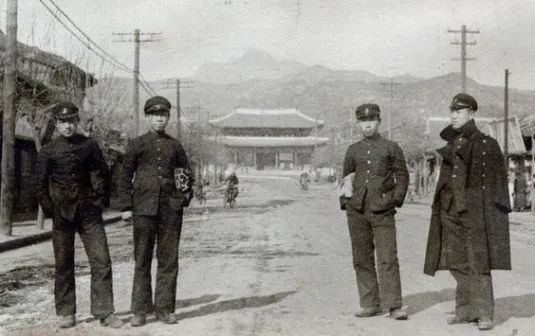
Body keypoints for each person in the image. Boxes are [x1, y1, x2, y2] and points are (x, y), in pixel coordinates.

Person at [423, 93, 511, 331]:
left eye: (458, 111)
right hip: (449, 210)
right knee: (456, 262)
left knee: (478, 261)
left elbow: (497, 183)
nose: (453, 115)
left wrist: (495, 214)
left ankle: (484, 314)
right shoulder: (452, 143)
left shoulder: (486, 144)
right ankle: (465, 310)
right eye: (451, 110)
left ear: (471, 113)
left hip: (475, 212)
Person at [35, 102, 123, 329]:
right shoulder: (48, 151)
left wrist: (99, 200)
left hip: (89, 214)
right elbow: (40, 184)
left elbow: (101, 172)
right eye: (63, 122)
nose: (67, 126)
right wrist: (50, 209)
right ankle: (66, 313)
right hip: (62, 214)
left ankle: (105, 312)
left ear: (77, 122)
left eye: (71, 121)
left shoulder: (89, 145)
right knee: (64, 263)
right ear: (56, 123)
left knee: (101, 260)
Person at [119, 96, 193, 327]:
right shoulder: (136, 144)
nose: (159, 119)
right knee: (142, 259)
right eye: (154, 115)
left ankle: (164, 309)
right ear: (147, 117)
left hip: (170, 210)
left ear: (168, 118)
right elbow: (123, 176)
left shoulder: (175, 146)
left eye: (163, 115)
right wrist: (126, 206)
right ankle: (140, 310)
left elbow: (187, 174)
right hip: (143, 209)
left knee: (168, 260)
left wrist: (183, 199)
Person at [339, 103, 409, 320]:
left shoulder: (391, 147)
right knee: (362, 258)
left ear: (379, 121)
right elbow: (346, 178)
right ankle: (369, 303)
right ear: (358, 123)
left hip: (383, 211)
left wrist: (395, 200)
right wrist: (345, 202)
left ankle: (394, 305)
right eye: (363, 121)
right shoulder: (353, 150)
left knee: (388, 258)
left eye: (371, 121)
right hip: (357, 211)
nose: (367, 126)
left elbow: (402, 176)